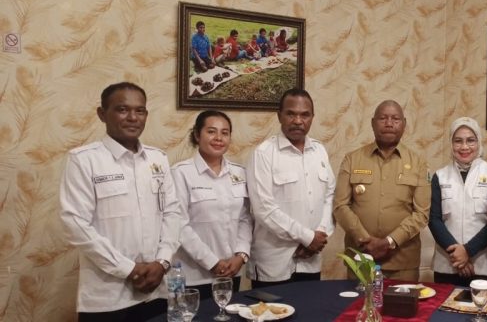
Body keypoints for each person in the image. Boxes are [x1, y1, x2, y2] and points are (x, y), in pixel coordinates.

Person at [60, 82, 182, 321]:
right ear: (102, 114)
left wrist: (162, 262)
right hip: (107, 296)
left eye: (140, 111)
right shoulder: (84, 160)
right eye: (122, 109)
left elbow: (172, 213)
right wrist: (129, 269)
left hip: (157, 289)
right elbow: (75, 224)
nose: (133, 118)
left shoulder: (158, 159)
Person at [333, 100, 431, 282]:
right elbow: (340, 206)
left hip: (403, 263)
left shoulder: (418, 163)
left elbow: (422, 214)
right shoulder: (352, 159)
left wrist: (390, 241)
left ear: (404, 124)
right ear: (372, 123)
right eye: (383, 118)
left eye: (395, 119)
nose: (389, 123)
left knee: (401, 302)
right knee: (358, 301)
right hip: (361, 259)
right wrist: (365, 240)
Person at [247, 89, 335, 287]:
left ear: (312, 117)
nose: (298, 121)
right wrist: (307, 238)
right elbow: (264, 209)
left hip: (311, 260)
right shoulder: (263, 154)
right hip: (274, 263)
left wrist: (319, 236)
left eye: (305, 115)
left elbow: (329, 195)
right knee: (271, 308)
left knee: (310, 306)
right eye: (291, 114)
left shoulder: (319, 151)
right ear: (279, 116)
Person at [170, 110, 253, 300]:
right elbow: (179, 225)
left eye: (225, 133)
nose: (218, 138)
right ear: (197, 135)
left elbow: (245, 218)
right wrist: (212, 262)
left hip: (231, 271)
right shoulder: (180, 173)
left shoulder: (239, 173)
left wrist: (241, 256)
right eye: (211, 131)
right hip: (193, 276)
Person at [429, 117, 487, 288]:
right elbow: (434, 220)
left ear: (479, 142)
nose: (464, 147)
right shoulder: (440, 176)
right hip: (448, 265)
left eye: (470, 140)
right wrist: (458, 256)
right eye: (458, 141)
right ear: (451, 143)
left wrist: (467, 251)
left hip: (484, 266)